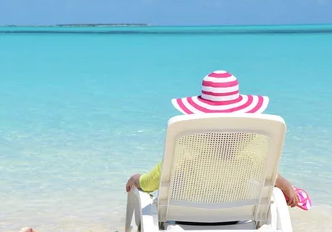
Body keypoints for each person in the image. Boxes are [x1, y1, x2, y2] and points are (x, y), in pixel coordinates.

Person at [125, 70, 300, 208]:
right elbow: (269, 175)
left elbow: (153, 182)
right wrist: (286, 186)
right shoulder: (253, 143)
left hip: (186, 218)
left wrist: (136, 179)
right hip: (237, 216)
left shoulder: (187, 143)